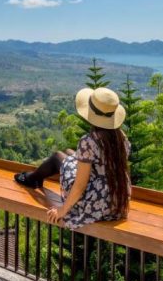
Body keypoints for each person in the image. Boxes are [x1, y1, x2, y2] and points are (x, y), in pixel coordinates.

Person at [14, 87, 131, 229]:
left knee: (58, 157)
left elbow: (80, 185)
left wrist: (62, 210)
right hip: (117, 201)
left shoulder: (89, 141)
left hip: (95, 205)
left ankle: (33, 178)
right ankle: (34, 177)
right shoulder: (121, 138)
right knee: (70, 153)